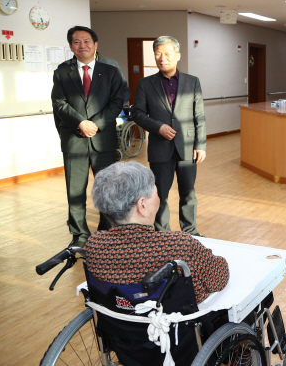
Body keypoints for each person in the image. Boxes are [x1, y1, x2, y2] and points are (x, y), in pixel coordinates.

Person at [85, 161, 229, 366]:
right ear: (142, 206)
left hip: (126, 342)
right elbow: (219, 277)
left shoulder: (94, 246)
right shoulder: (178, 246)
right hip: (176, 342)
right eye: (155, 192)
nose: (160, 198)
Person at [51, 25, 130, 248]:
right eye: (77, 42)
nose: (82, 45)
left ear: (95, 45)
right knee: (75, 191)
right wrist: (80, 123)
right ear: (70, 47)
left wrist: (97, 123)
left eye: (86, 41)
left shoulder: (111, 70)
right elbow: (58, 103)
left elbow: (118, 100)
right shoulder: (62, 72)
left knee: (108, 189)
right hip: (74, 140)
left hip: (102, 139)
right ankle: (79, 235)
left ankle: (106, 232)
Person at [133, 36, 207, 235]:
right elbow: (137, 113)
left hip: (188, 147)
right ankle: (162, 234)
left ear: (177, 56)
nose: (162, 58)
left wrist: (201, 144)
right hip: (160, 148)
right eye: (158, 54)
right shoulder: (145, 84)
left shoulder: (192, 82)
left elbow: (199, 115)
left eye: (167, 54)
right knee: (159, 195)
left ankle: (190, 231)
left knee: (188, 193)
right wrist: (158, 127)